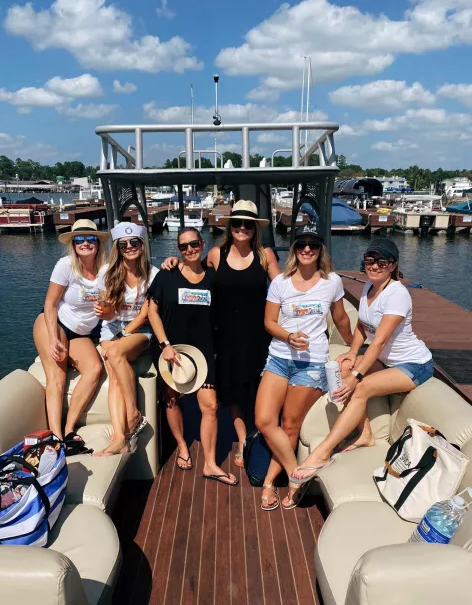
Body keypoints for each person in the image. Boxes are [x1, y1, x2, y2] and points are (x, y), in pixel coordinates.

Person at [290, 237, 434, 484]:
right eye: (370, 261)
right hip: (387, 361)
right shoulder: (369, 287)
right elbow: (362, 326)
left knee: (361, 386)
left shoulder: (397, 295)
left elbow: (379, 341)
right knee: (344, 367)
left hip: (414, 365)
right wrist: (353, 352)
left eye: (382, 262)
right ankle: (365, 433)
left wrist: (357, 375)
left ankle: (322, 452)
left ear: (393, 265)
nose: (375, 266)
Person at [162, 200, 280, 468]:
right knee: (233, 392)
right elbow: (194, 269)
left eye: (248, 224)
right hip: (224, 335)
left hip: (258, 335)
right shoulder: (216, 253)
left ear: (255, 228)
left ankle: (259, 436)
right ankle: (243, 441)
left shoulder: (265, 255)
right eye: (237, 223)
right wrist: (174, 261)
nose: (242, 228)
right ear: (230, 227)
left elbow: (283, 287)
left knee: (256, 390)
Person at [255, 228, 353, 510]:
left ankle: (269, 483)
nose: (307, 249)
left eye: (313, 245)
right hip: (279, 357)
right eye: (302, 244)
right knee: (264, 420)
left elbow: (341, 319)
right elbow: (269, 322)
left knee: (290, 425)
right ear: (294, 249)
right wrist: (288, 336)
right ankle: (296, 475)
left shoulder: (332, 282)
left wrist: (355, 349)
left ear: (320, 250)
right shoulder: (280, 283)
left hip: (311, 362)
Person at [148, 227, 238, 485]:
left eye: (194, 244)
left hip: (204, 351)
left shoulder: (213, 278)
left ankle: (210, 464)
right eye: (183, 246)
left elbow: (224, 314)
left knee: (210, 406)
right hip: (172, 349)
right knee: (172, 399)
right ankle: (182, 445)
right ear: (178, 250)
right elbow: (152, 311)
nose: (189, 249)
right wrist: (165, 345)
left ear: (202, 244)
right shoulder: (167, 275)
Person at [33, 219, 109, 442]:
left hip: (82, 332)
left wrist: (106, 309)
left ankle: (69, 429)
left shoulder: (107, 269)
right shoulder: (65, 265)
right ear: (73, 245)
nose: (85, 243)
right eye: (79, 240)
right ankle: (56, 437)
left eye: (90, 238)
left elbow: (109, 302)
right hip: (55, 322)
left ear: (98, 242)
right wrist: (53, 338)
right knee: (57, 376)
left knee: (94, 369)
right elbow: (50, 304)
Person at [93, 222, 159, 457]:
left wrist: (121, 336)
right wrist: (104, 312)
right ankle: (120, 438)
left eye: (134, 242)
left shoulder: (153, 274)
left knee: (114, 352)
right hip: (112, 327)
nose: (129, 247)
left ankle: (133, 413)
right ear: (117, 248)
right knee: (113, 372)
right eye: (123, 244)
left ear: (142, 245)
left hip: (141, 328)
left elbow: (144, 315)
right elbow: (108, 312)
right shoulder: (107, 273)